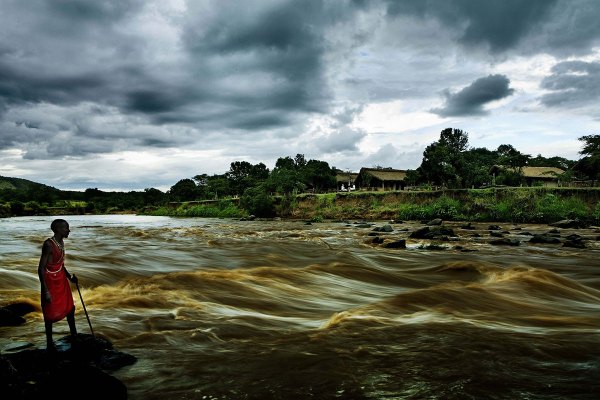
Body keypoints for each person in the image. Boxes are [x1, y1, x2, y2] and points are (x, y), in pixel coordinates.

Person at [37, 218, 78, 351]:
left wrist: (69, 277)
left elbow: (60, 263)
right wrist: (45, 290)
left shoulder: (61, 242)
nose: (69, 230)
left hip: (61, 279)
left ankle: (74, 336)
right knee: (50, 311)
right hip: (50, 281)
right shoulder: (49, 244)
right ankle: (49, 342)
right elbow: (41, 268)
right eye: (66, 228)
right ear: (58, 229)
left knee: (70, 308)